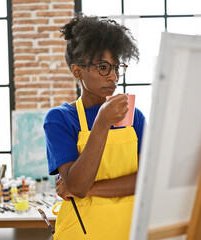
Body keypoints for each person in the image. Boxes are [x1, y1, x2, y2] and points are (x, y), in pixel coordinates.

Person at [43, 13, 146, 240]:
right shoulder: (60, 119)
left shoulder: (134, 116)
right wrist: (101, 122)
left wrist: (90, 189)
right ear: (77, 70)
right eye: (103, 67)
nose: (113, 77)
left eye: (117, 67)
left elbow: (145, 181)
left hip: (128, 233)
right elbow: (77, 184)